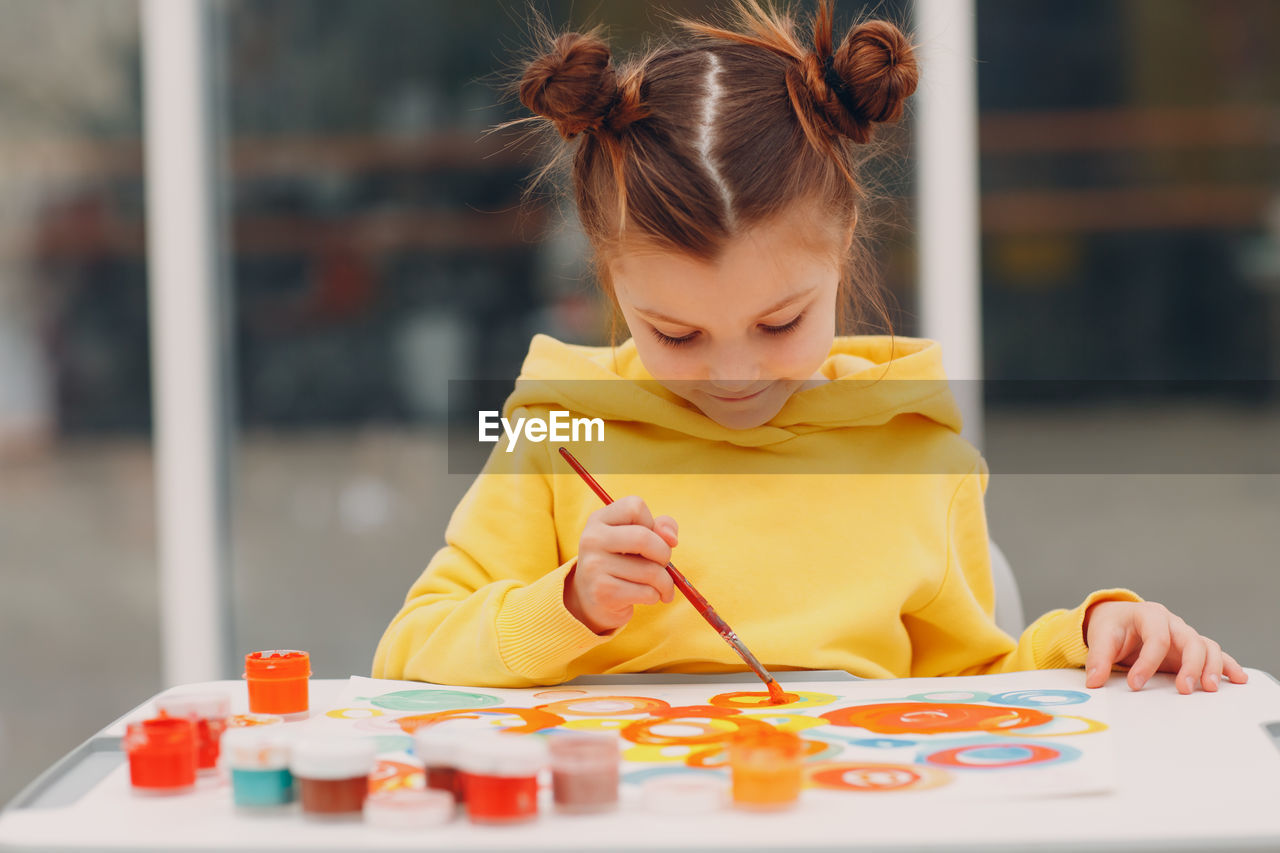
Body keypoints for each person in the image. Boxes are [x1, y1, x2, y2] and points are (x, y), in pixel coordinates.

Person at [373, 0, 1246, 695]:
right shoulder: (560, 433)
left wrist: (1096, 631)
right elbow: (408, 652)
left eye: (780, 322)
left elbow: (974, 686)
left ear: (844, 247)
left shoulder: (913, 448)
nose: (736, 374)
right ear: (610, 282)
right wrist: (564, 604)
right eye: (676, 333)